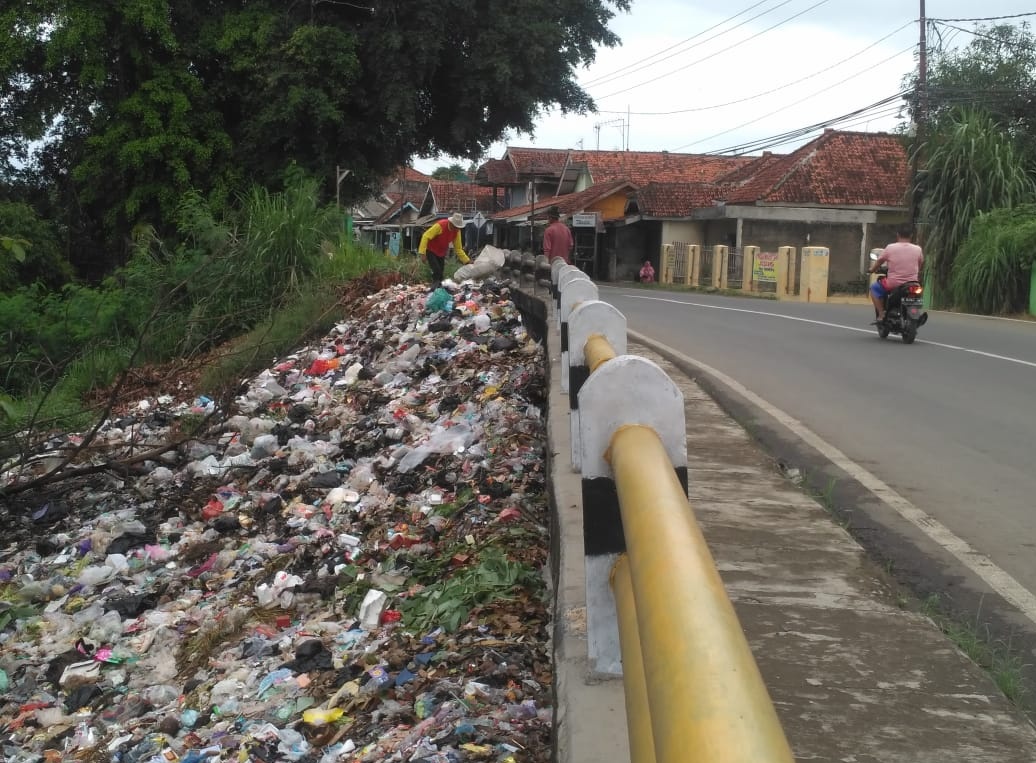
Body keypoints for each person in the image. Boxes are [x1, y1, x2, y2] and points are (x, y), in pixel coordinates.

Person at [869, 226, 924, 323]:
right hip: (913, 284)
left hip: (893, 284)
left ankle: (881, 314)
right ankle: (914, 312)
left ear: (897, 235)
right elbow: (920, 264)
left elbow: (879, 261)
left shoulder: (890, 247)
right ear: (911, 235)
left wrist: (872, 269)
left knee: (874, 288)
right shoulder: (918, 249)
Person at [418, 212, 470, 287]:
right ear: (451, 223)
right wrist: (422, 253)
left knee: (441, 273)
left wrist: (467, 261)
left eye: (458, 227)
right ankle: (434, 288)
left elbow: (458, 248)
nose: (457, 228)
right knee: (436, 270)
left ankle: (439, 288)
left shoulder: (457, 231)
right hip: (431, 250)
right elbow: (426, 236)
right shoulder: (440, 225)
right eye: (455, 226)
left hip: (441, 252)